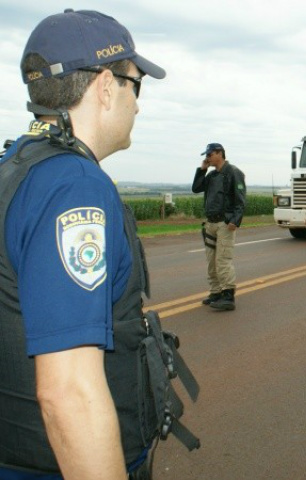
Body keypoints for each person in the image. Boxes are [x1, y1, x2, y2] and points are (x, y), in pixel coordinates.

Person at [0, 9, 199, 480]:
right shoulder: (74, 187)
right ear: (106, 86)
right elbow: (68, 391)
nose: (138, 104)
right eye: (137, 85)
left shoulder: (17, 165)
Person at [192, 142, 246, 311]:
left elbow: (240, 199)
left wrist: (235, 220)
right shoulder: (212, 175)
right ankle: (215, 292)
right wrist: (202, 169)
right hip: (210, 223)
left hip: (225, 223)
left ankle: (228, 295)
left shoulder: (234, 173)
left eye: (209, 155)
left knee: (222, 259)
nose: (207, 158)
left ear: (219, 153)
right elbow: (196, 188)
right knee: (211, 260)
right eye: (206, 156)